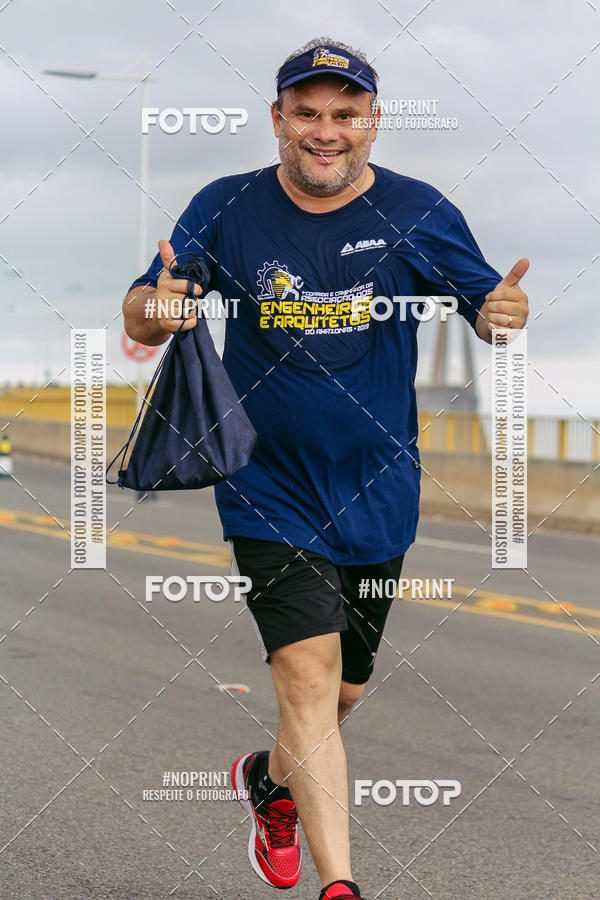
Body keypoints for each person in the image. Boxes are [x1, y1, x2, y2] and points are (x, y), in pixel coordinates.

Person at [122, 37, 529, 900]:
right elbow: (146, 302)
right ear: (278, 119)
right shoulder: (228, 207)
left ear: (371, 123)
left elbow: (488, 312)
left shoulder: (418, 211)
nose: (325, 130)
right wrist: (157, 307)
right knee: (304, 680)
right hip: (267, 484)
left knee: (339, 696)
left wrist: (504, 313)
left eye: (344, 114)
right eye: (307, 113)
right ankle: (340, 884)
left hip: (380, 487)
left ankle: (272, 785)